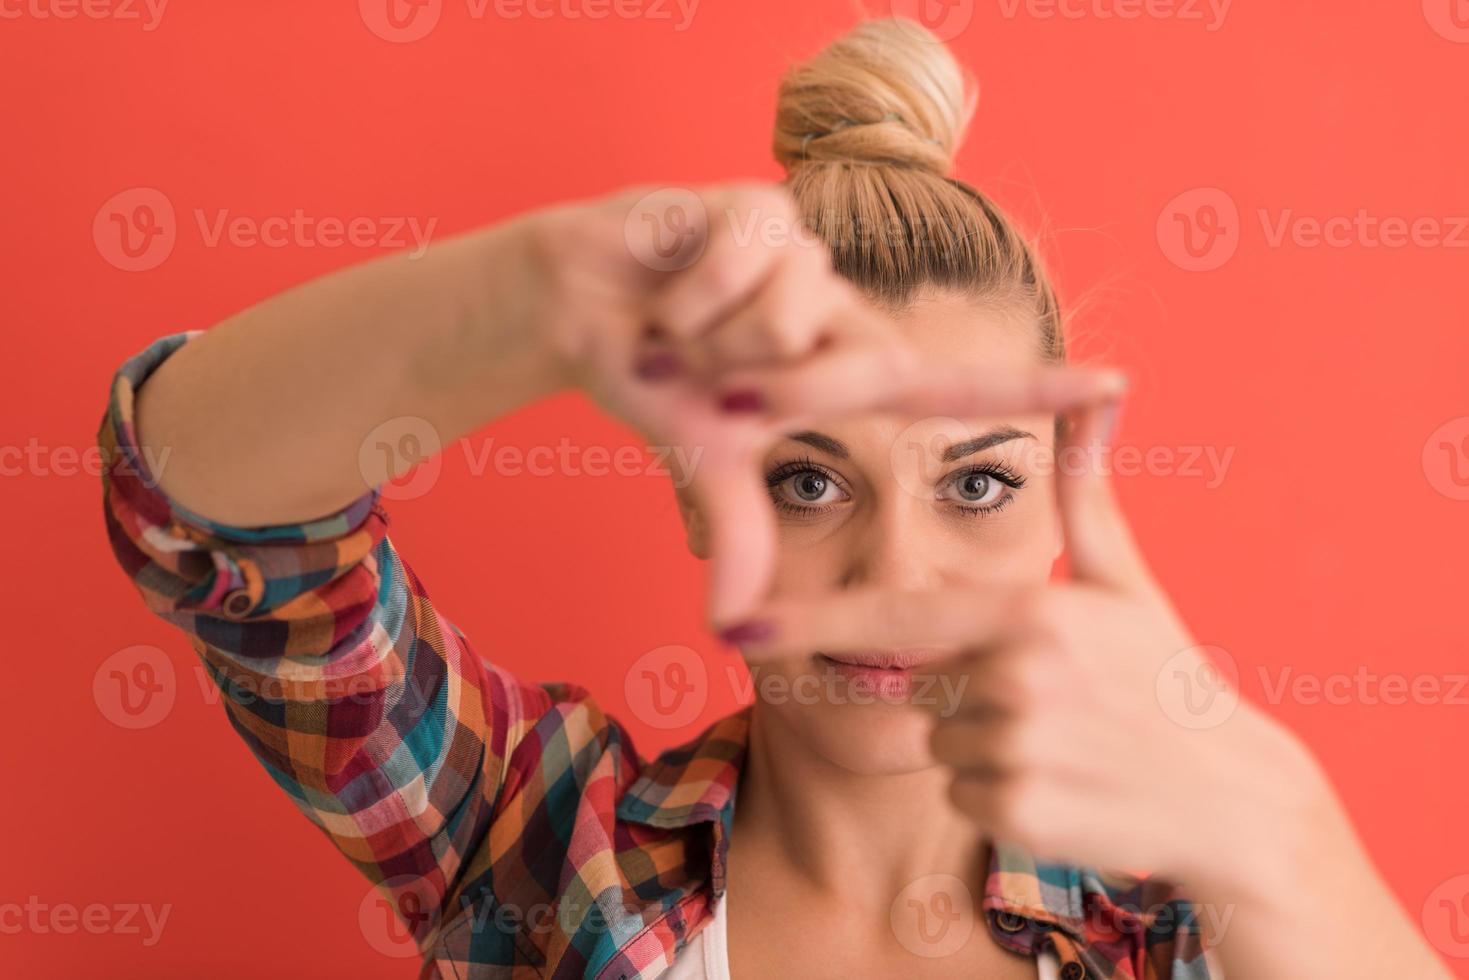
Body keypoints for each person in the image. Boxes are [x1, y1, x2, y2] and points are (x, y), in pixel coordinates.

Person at [97, 17, 1450, 980]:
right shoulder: (535, 849)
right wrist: (533, 296)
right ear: (698, 500)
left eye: (976, 481)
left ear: (1058, 508)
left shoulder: (1186, 925)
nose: (893, 569)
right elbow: (207, 522)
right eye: (805, 479)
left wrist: (1276, 831)